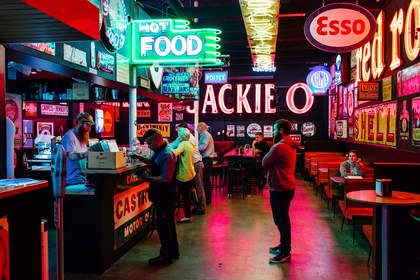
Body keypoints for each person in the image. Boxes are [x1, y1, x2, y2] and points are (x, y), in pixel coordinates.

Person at [133, 129, 178, 265]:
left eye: (149, 143)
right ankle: (173, 252)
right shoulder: (160, 151)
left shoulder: (166, 154)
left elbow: (166, 178)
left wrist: (148, 178)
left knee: (164, 226)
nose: (149, 146)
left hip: (166, 195)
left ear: (157, 140)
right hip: (162, 195)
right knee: (168, 224)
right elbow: (154, 163)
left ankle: (165, 257)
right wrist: (139, 158)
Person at [262, 119, 299, 264]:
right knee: (283, 219)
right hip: (287, 186)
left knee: (281, 220)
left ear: (281, 131)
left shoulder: (279, 147)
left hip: (280, 188)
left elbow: (265, 162)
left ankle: (285, 252)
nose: (272, 132)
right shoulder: (290, 144)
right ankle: (283, 246)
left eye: (274, 129)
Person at [171, 123, 206, 215]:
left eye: (179, 130)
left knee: (198, 188)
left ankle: (201, 208)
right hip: (193, 164)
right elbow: (173, 145)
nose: (177, 132)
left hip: (195, 164)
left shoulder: (187, 139)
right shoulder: (185, 137)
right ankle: (197, 207)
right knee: (191, 188)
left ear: (184, 130)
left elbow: (174, 148)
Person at [62, 112, 94, 186]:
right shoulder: (69, 136)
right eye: (88, 125)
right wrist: (84, 154)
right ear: (80, 123)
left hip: (82, 179)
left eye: (90, 126)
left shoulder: (82, 136)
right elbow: (71, 156)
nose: (89, 128)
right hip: (72, 180)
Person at [172, 127, 196, 223]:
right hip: (191, 172)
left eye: (178, 135)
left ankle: (186, 216)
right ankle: (188, 215)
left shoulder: (183, 144)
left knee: (184, 196)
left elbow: (175, 153)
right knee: (187, 196)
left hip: (184, 174)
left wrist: (165, 149)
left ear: (180, 136)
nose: (178, 137)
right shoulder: (190, 144)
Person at [197, 122, 215, 205]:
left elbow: (202, 147)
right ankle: (207, 200)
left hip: (206, 159)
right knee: (206, 180)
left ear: (201, 128)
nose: (196, 130)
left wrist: (194, 148)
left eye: (197, 128)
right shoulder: (205, 134)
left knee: (205, 180)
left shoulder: (205, 135)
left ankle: (206, 200)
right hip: (207, 159)